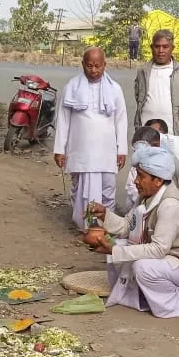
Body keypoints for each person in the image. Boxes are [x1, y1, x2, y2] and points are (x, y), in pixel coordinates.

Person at [87, 145, 179, 319]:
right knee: (121, 246)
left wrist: (114, 250)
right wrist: (105, 215)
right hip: (171, 259)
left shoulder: (170, 204)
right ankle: (153, 293)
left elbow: (158, 249)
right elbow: (127, 226)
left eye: (141, 176)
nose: (136, 181)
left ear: (158, 181)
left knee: (142, 267)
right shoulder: (146, 196)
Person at [54, 47, 129, 231]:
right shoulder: (71, 87)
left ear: (105, 65)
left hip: (106, 150)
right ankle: (84, 226)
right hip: (80, 150)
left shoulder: (115, 89)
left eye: (97, 66)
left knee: (108, 189)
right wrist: (59, 149)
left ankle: (106, 227)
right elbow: (63, 120)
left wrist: (122, 150)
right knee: (79, 187)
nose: (93, 70)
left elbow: (121, 120)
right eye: (89, 66)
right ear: (82, 65)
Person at [135, 30, 179, 136]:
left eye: (165, 46)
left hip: (173, 131)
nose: (160, 50)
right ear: (152, 47)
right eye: (157, 46)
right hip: (144, 129)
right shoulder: (143, 71)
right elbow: (138, 95)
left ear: (172, 48)